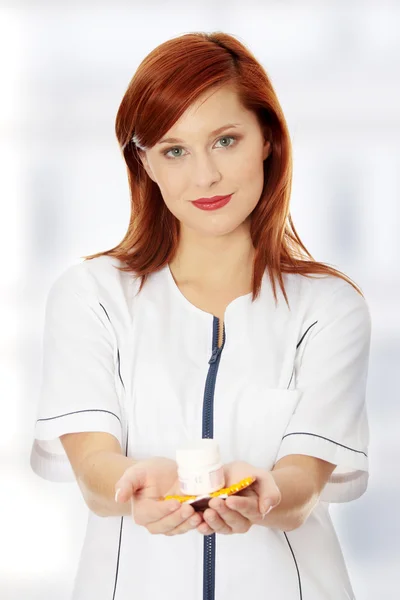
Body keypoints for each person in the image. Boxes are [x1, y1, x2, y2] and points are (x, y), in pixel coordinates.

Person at [30, 31, 372, 600]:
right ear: (145, 164)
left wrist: (264, 494)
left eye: (226, 140)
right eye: (175, 150)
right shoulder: (90, 296)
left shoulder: (329, 309)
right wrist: (131, 483)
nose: (205, 177)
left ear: (267, 139)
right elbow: (93, 469)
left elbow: (302, 487)